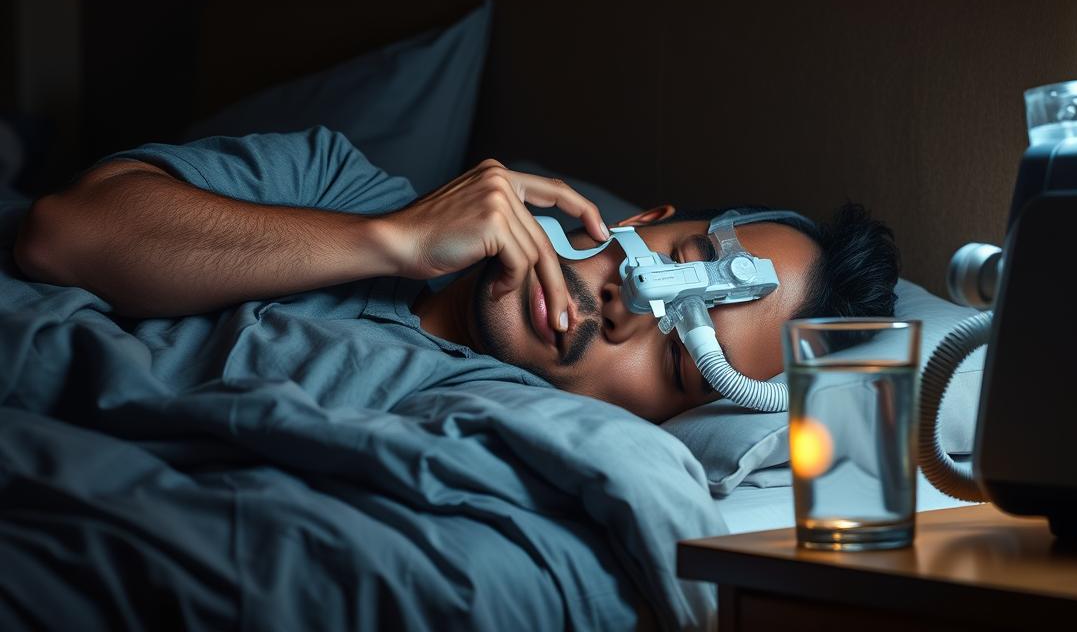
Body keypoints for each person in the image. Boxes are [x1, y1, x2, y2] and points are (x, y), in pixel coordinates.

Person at [13, 127, 900, 423]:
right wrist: (390, 242)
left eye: (680, 362)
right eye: (677, 266)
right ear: (637, 223)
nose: (632, 309)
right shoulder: (336, 180)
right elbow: (60, 239)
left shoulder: (495, 433)